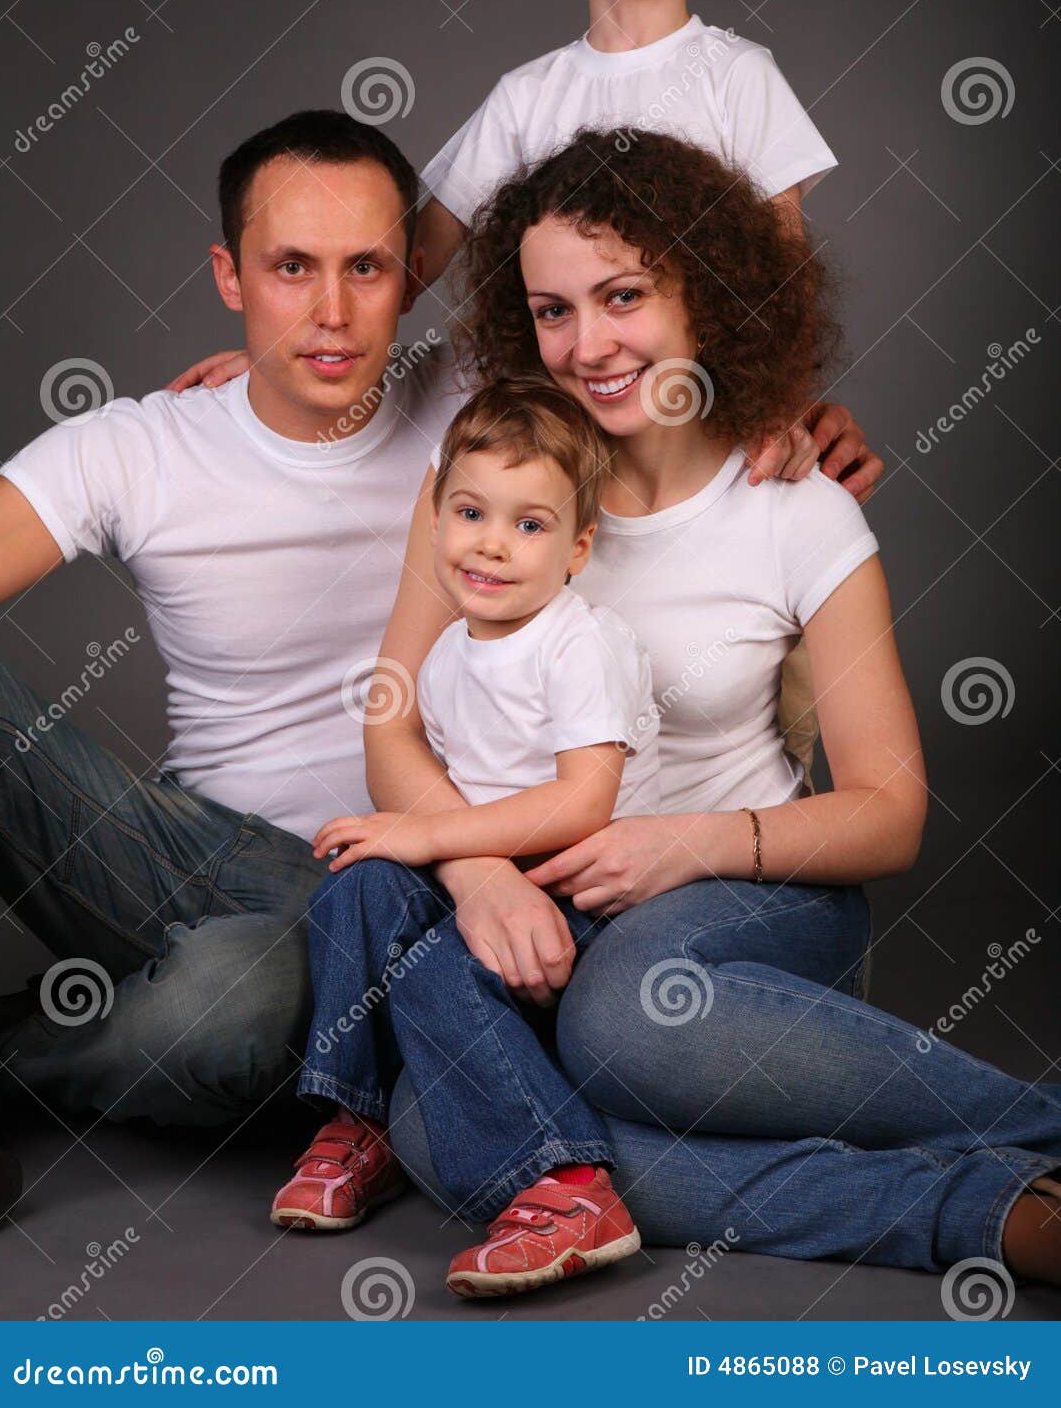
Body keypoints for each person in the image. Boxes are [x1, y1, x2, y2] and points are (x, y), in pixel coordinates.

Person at [362, 126, 1061, 1286]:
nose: (587, 344)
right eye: (550, 311)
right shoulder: (489, 490)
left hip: (747, 905)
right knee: (442, 1131)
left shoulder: (795, 510)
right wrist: (475, 869)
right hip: (542, 913)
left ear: (705, 292)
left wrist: (683, 845)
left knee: (625, 1024)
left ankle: (1035, 1123)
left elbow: (888, 811)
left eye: (622, 294)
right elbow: (390, 718)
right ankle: (988, 1209)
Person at [168, 0, 885, 784]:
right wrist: (291, 357)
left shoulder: (735, 76)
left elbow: (778, 267)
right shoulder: (526, 97)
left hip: (691, 430)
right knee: (533, 667)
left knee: (744, 642)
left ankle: (755, 820)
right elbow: (403, 263)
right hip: (564, 440)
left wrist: (786, 406)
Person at [0, 110, 465, 1166]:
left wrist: (787, 419)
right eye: (291, 268)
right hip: (170, 854)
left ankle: (21, 1053)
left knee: (229, 1017)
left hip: (376, 893)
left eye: (367, 268)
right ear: (229, 275)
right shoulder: (143, 443)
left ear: (415, 271)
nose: (333, 311)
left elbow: (592, 221)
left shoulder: (477, 410)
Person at [269, 379, 660, 1299]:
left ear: (577, 549)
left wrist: (433, 834)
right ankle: (358, 1122)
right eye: (470, 512)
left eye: (529, 526)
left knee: (439, 967)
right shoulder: (446, 654)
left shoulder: (579, 643)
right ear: (436, 517)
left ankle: (565, 1185)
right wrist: (420, 848)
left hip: (579, 881)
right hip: (489, 867)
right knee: (357, 884)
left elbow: (582, 805)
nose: (490, 542)